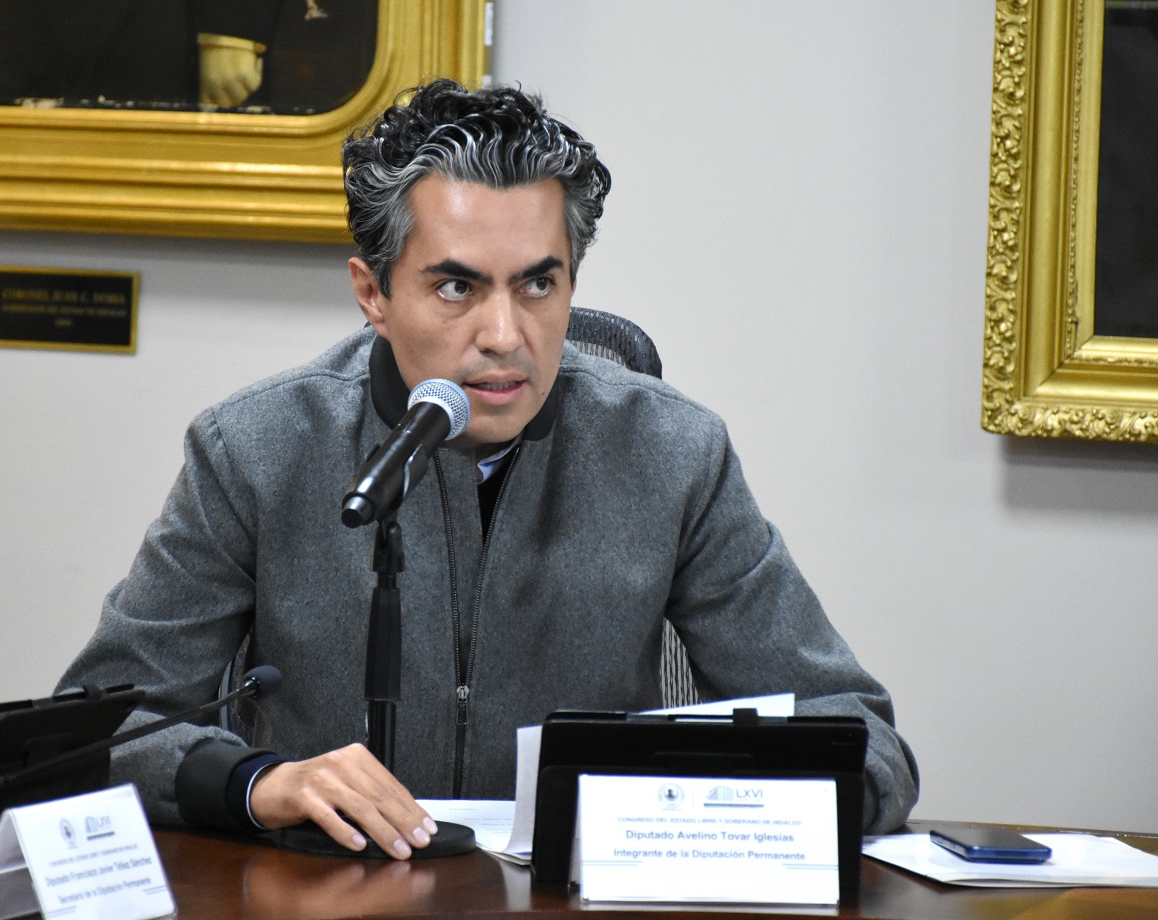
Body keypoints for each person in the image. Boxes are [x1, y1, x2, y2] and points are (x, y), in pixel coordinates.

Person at [57, 78, 919, 861]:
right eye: (456, 288)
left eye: (538, 286)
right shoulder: (255, 450)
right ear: (372, 294)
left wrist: (701, 806)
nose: (505, 335)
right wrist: (257, 784)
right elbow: (93, 732)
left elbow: (864, 741)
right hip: (328, 892)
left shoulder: (673, 453)